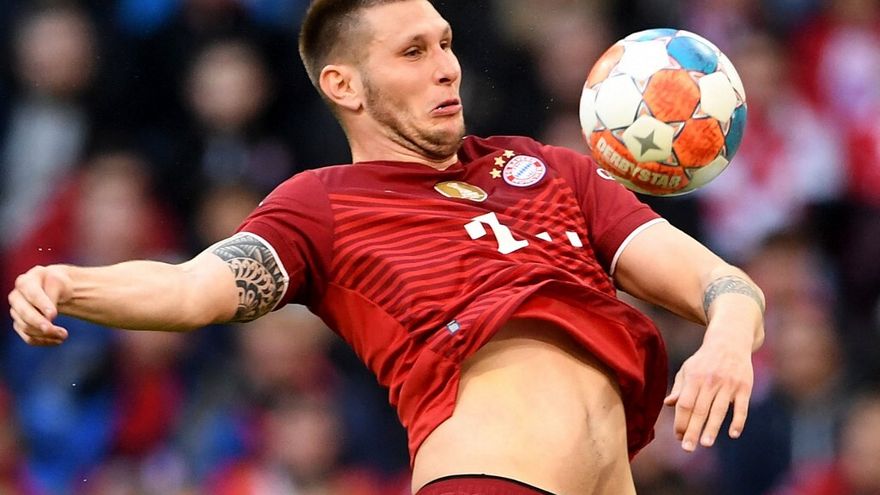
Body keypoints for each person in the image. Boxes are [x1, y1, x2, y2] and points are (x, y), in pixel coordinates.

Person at [7, 1, 765, 494]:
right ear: (345, 85)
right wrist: (67, 284)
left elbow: (723, 285)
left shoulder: (549, 168)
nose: (446, 65)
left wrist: (728, 341)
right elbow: (191, 290)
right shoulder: (321, 205)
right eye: (412, 51)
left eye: (446, 43)